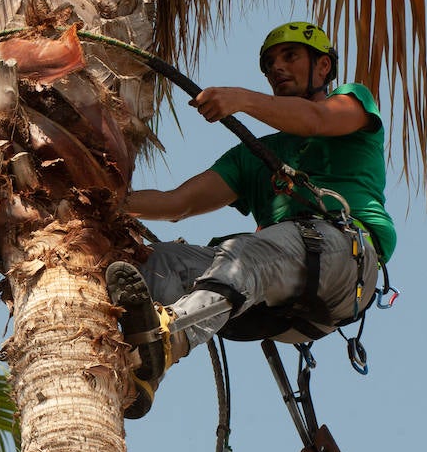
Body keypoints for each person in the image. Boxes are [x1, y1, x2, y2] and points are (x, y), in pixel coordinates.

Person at [109, 21, 396, 418]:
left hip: (345, 261)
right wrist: (107, 202)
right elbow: (177, 203)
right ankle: (140, 371)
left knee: (244, 251)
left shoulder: (353, 103)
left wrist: (242, 99)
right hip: (278, 298)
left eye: (290, 56)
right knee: (158, 262)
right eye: (270, 63)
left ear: (324, 67)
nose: (277, 67)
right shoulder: (252, 155)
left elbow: (315, 120)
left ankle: (171, 335)